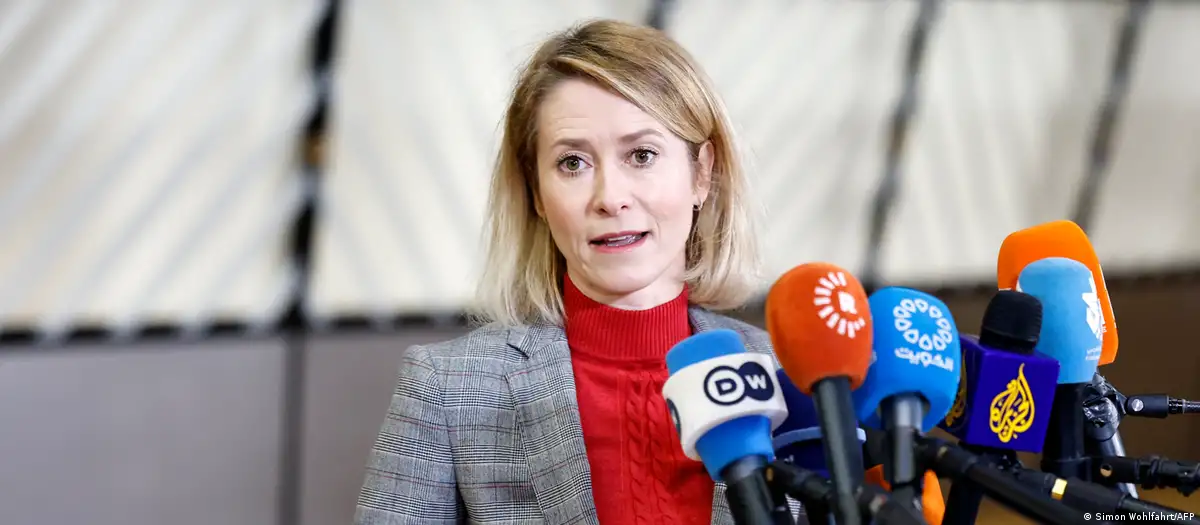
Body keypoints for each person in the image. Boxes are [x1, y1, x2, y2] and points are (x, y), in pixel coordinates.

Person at [353, 19, 796, 524]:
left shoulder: (789, 380)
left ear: (702, 173)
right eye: (572, 164)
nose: (610, 197)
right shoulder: (446, 389)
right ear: (537, 194)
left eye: (642, 155)